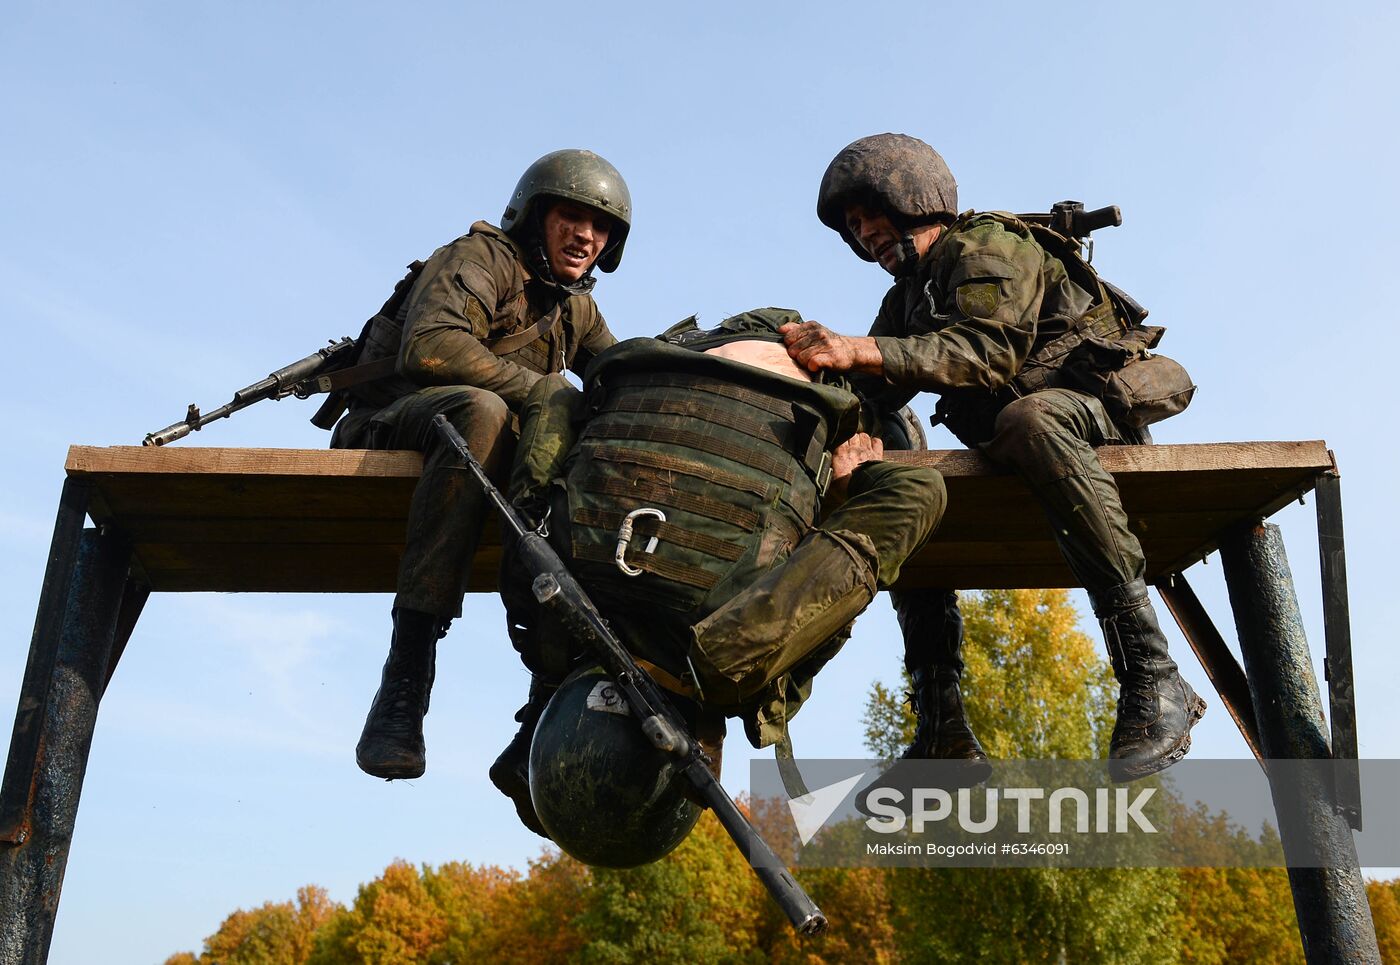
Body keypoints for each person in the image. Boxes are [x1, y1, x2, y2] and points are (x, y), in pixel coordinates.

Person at [784, 134, 1204, 781]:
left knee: (1026, 417)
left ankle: (1153, 673)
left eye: (868, 212)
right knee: (896, 471)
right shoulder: (908, 299)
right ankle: (942, 726)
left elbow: (984, 355)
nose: (862, 231)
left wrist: (854, 349)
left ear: (910, 195)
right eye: (852, 225)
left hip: (1090, 418)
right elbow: (867, 386)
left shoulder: (985, 244)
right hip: (1020, 444)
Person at [488, 308, 948, 844]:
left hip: (814, 378)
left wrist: (851, 488)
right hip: (671, 352)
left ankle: (948, 715)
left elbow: (918, 494)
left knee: (902, 435)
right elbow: (552, 399)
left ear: (698, 748)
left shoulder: (740, 659)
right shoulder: (541, 606)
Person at [329, 149, 630, 780]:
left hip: (486, 455)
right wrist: (549, 394)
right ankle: (405, 680)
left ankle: (545, 703)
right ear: (534, 215)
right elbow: (433, 349)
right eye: (571, 216)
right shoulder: (482, 258)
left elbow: (618, 380)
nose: (585, 235)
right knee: (487, 410)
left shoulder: (576, 307)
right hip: (395, 427)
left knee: (603, 446)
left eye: (599, 227)